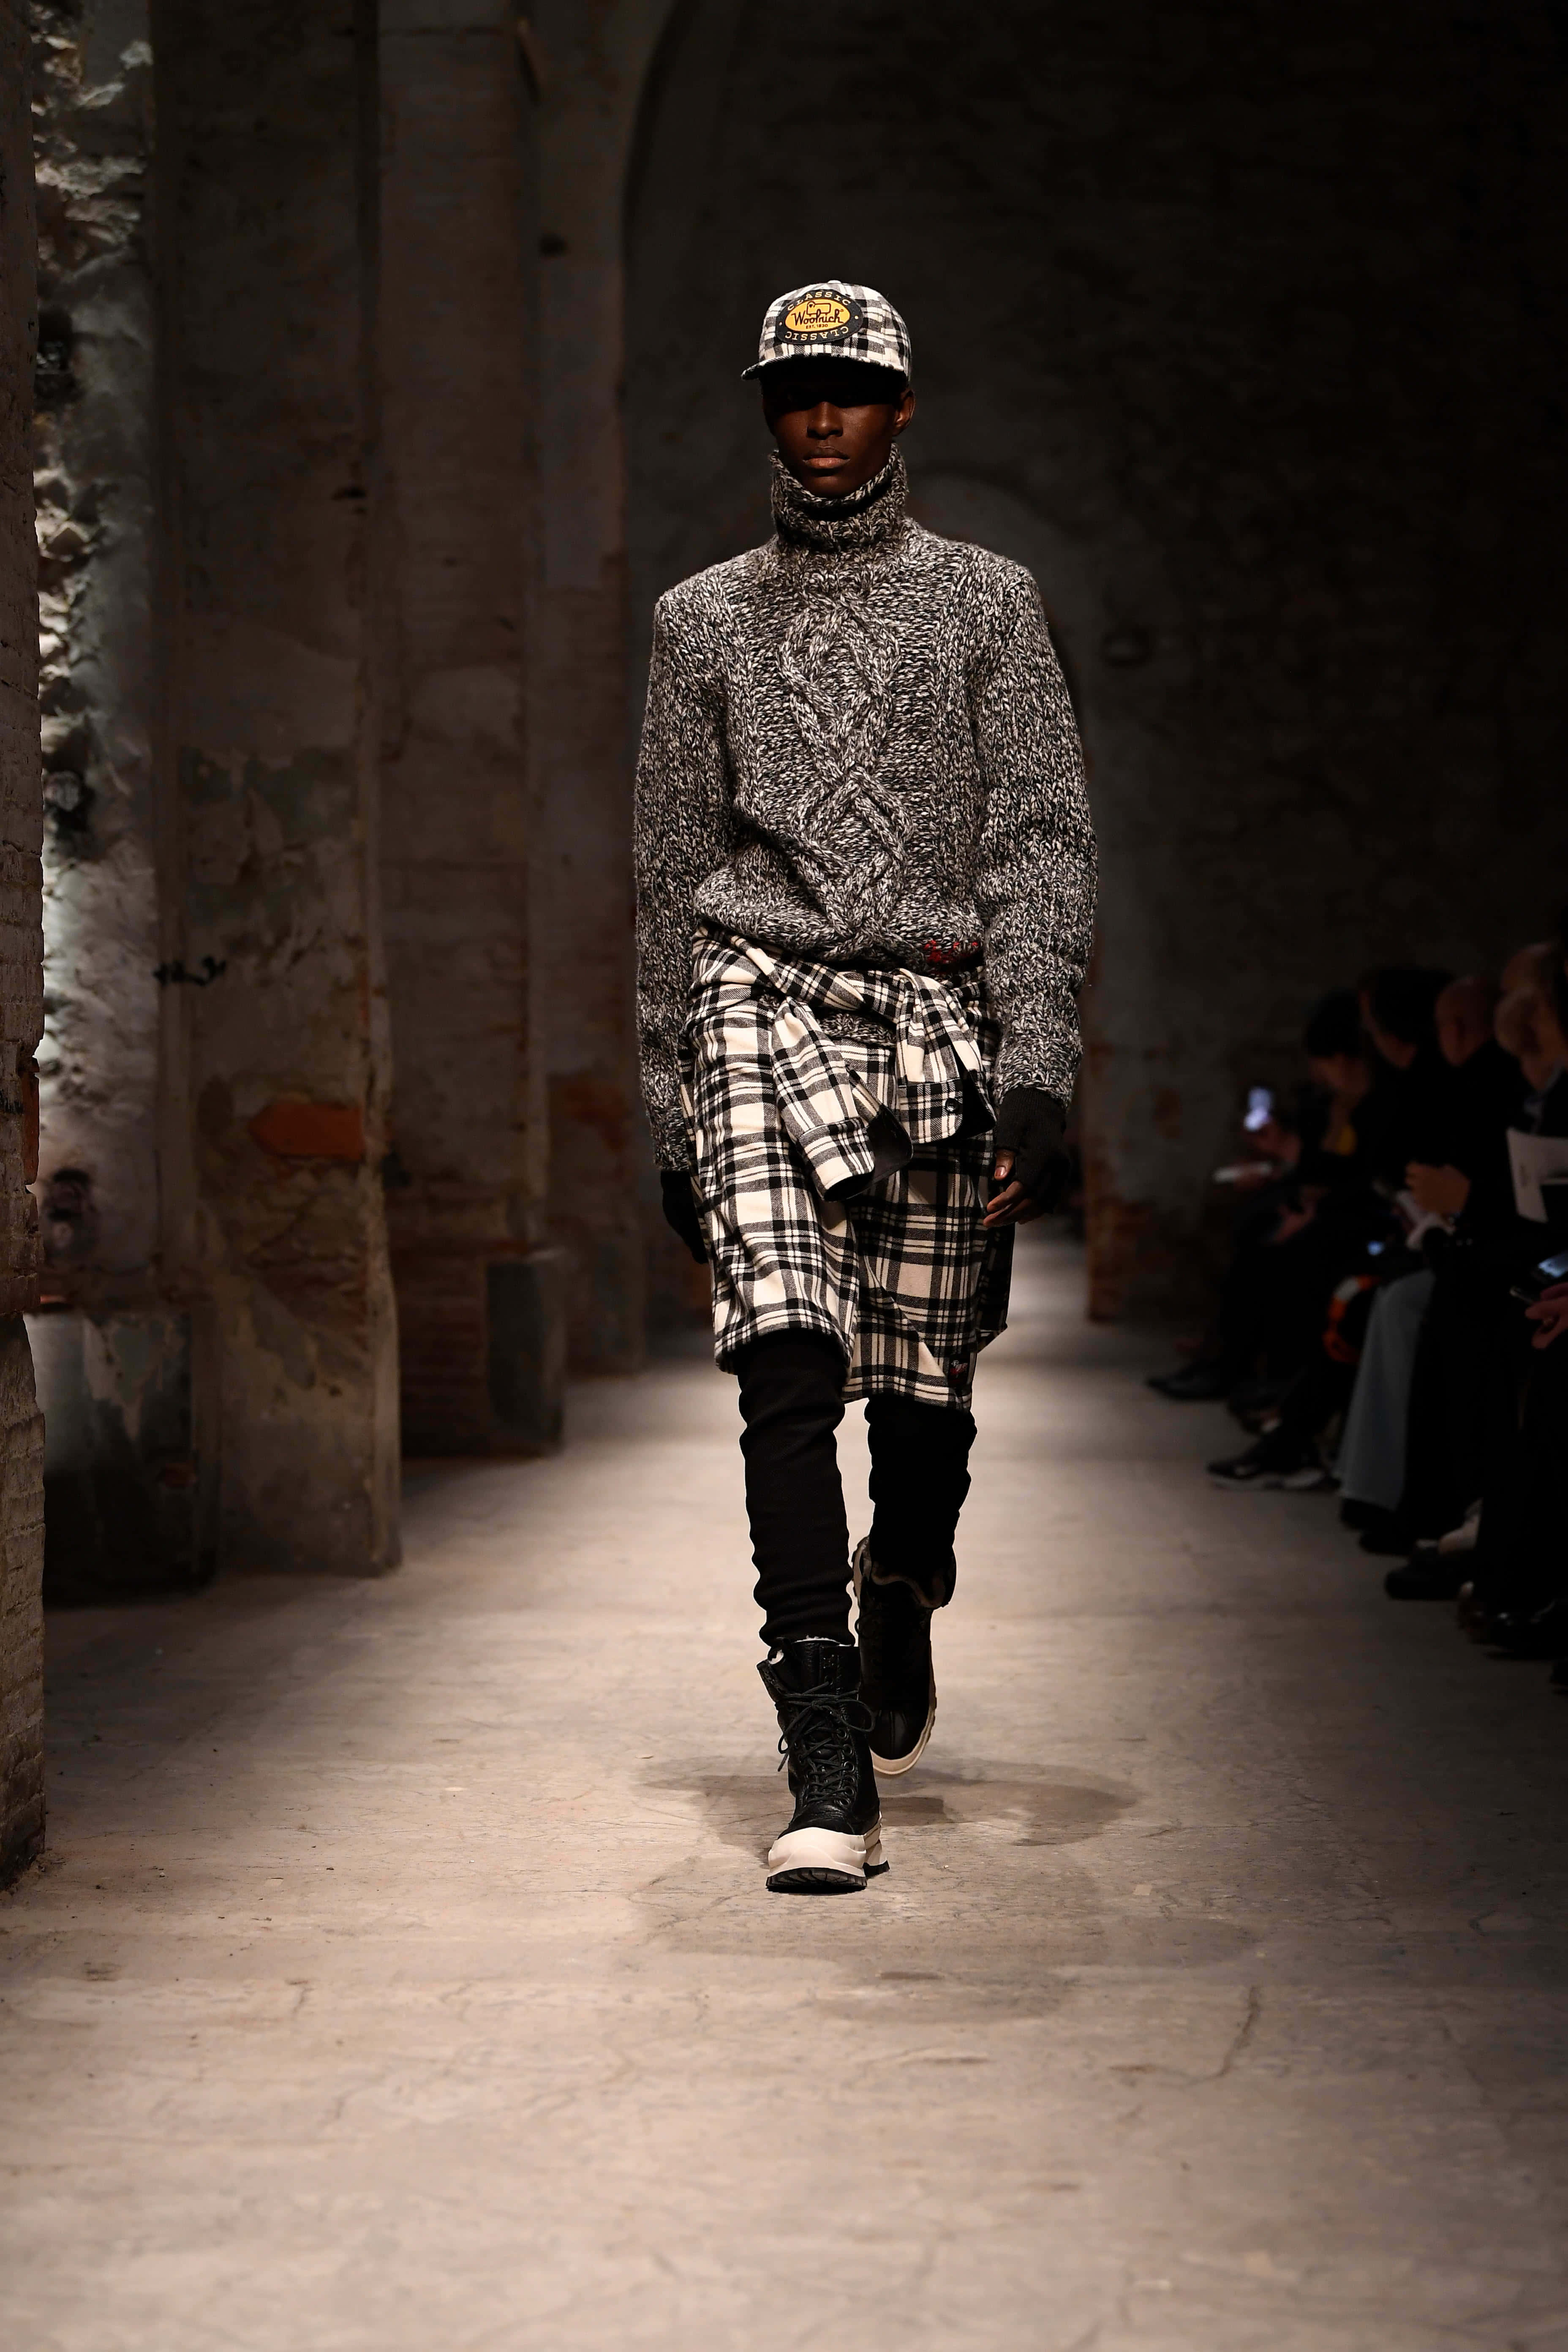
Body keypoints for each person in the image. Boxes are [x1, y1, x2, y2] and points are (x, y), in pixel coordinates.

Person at [634, 281, 1095, 1894]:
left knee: (924, 1385)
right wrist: (672, 1102)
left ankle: (902, 1574)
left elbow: (1041, 835)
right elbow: (670, 871)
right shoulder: (700, 620)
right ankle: (819, 1734)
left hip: (935, 1010)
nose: (820, 416)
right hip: (755, 1000)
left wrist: (1038, 1062)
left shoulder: (989, 601)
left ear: (902, 408)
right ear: (769, 412)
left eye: (849, 388)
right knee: (782, 1362)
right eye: (794, 390)